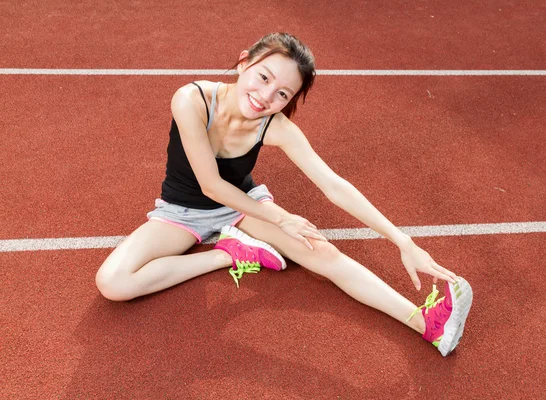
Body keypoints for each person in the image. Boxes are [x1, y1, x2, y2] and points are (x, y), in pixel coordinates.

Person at [95, 32, 473, 356]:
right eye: (262, 77)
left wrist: (401, 239)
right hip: (182, 210)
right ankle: (230, 254)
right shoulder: (191, 99)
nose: (264, 96)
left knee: (323, 253)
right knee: (113, 283)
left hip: (243, 209)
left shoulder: (273, 126)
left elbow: (333, 185)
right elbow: (210, 185)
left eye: (281, 93)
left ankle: (427, 323)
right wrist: (280, 218)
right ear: (244, 63)